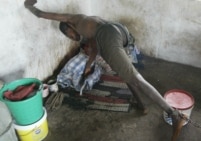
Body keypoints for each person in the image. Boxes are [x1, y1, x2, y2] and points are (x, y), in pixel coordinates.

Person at [24, 0, 184, 140]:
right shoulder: (88, 24)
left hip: (108, 36)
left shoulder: (73, 19)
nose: (73, 38)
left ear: (69, 26)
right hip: (119, 30)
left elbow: (41, 14)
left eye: (70, 35)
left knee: (136, 78)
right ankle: (142, 106)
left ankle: (174, 115)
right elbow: (94, 49)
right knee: (125, 72)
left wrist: (29, 6)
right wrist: (88, 67)